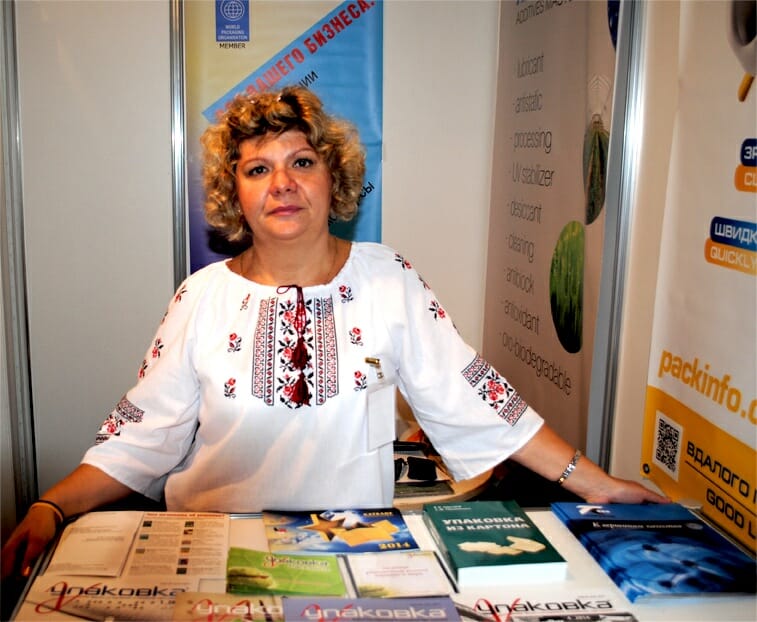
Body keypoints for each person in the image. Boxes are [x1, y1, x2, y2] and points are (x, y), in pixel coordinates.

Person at [1, 85, 666, 580]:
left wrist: (592, 483)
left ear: (334, 177)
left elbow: (472, 394)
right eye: (257, 169)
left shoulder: (388, 280)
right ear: (235, 194)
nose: (281, 184)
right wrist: (52, 507)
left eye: (301, 163)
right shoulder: (200, 298)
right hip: (210, 560)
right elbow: (143, 435)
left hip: (353, 557)